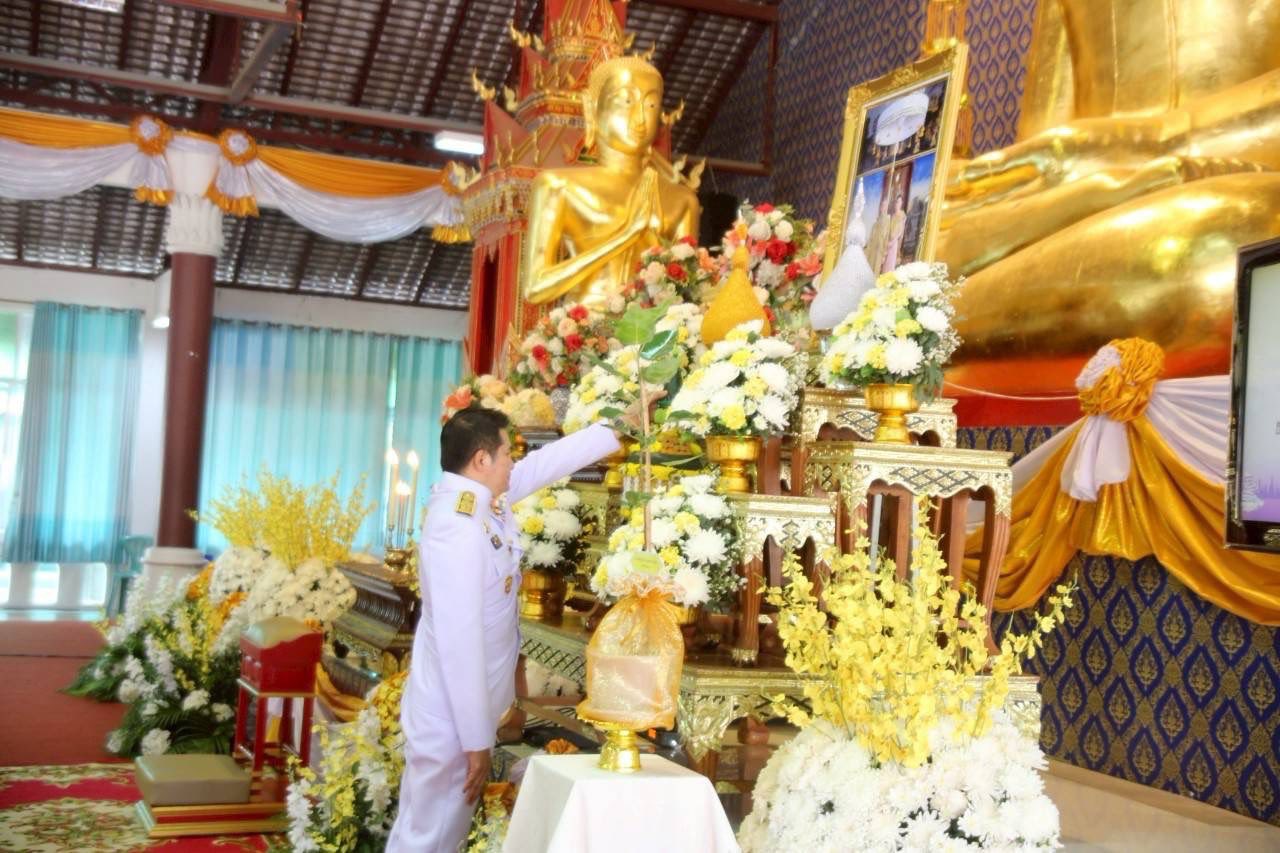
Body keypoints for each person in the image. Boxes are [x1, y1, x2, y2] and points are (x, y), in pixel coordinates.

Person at [386, 407, 638, 852]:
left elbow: (543, 466)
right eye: (507, 453)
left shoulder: (479, 499)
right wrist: (476, 741)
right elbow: (460, 646)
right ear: (481, 459)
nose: (514, 463)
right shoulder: (458, 528)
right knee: (428, 839)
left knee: (438, 835)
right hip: (451, 717)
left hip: (461, 712)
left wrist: (618, 425)